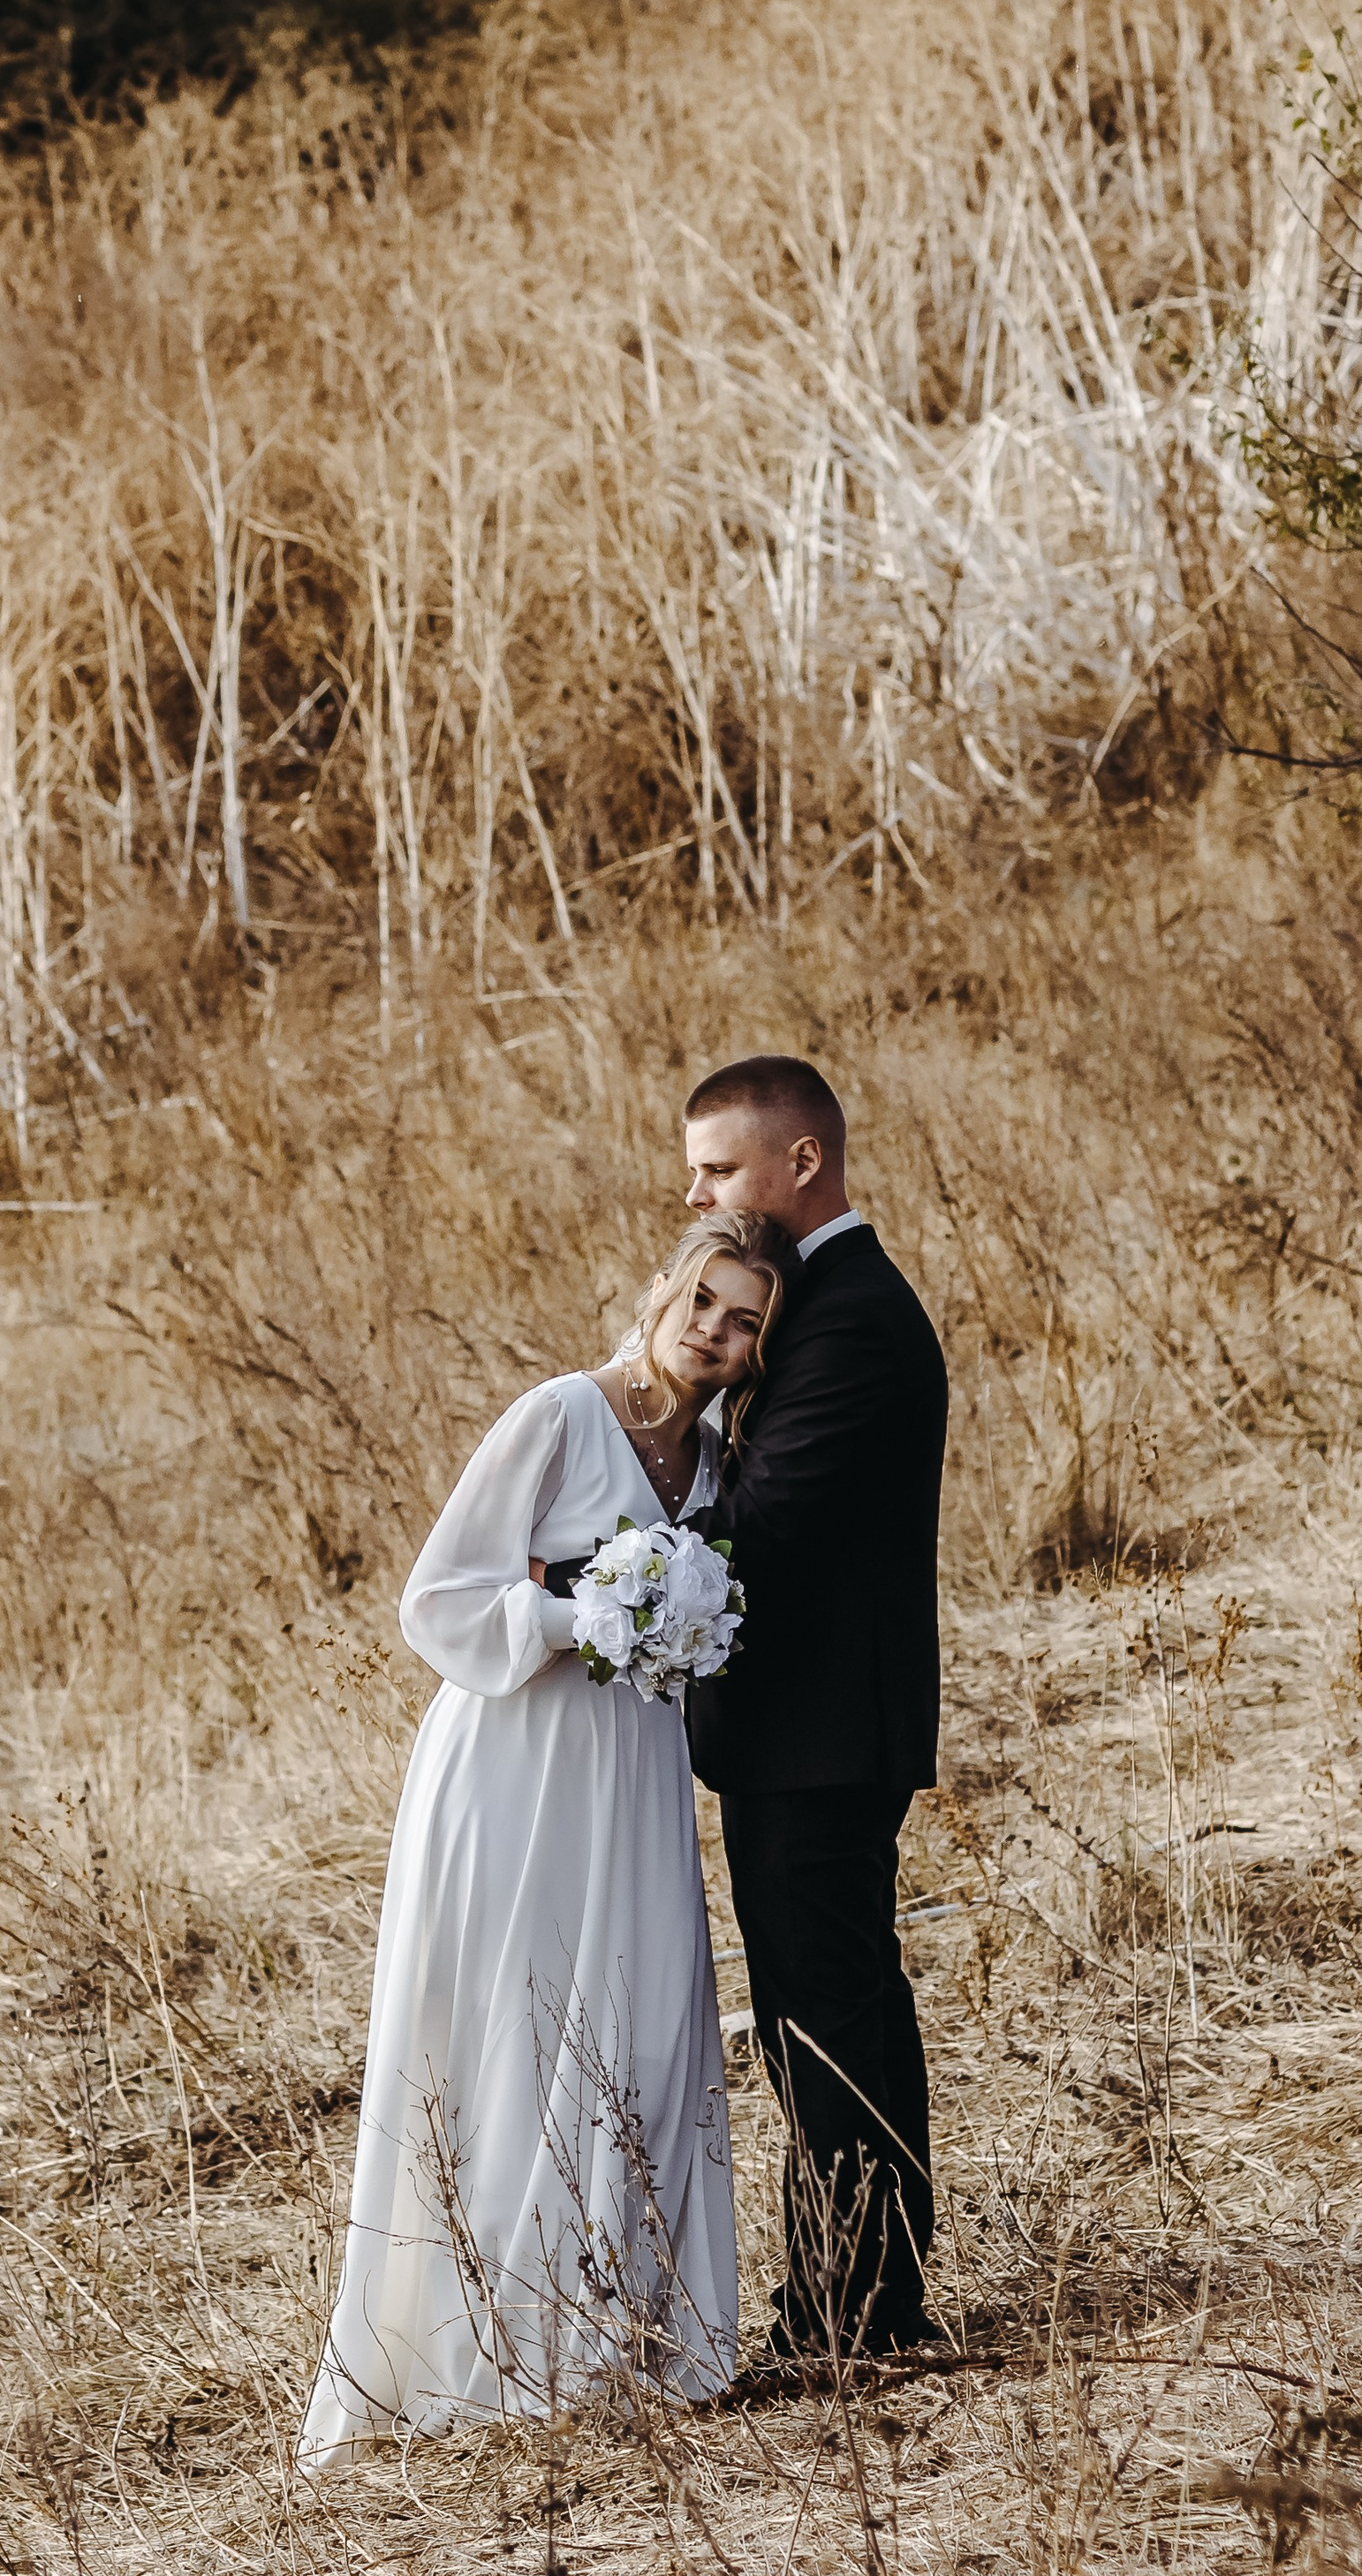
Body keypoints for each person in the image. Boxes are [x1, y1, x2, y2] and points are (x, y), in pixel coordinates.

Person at [297, 1211, 798, 2465]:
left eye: (745, 1325)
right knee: (511, 2015)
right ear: (665, 1293)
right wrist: (589, 1616)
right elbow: (440, 1597)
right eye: (706, 1306)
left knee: (641, 2012)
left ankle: (628, 2331)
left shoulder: (723, 1453)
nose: (718, 1338)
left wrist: (676, 1629)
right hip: (516, 1758)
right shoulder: (564, 1415)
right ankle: (489, 2334)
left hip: (632, 1767)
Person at [681, 1054, 949, 2361]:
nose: (696, 1194)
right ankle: (871, 2297)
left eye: (719, 1168)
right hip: (809, 1730)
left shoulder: (850, 1317)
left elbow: (762, 1525)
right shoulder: (818, 1304)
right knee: (838, 2011)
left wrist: (579, 1576)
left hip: (820, 1734)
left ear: (800, 1163)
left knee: (823, 2025)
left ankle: (852, 2317)